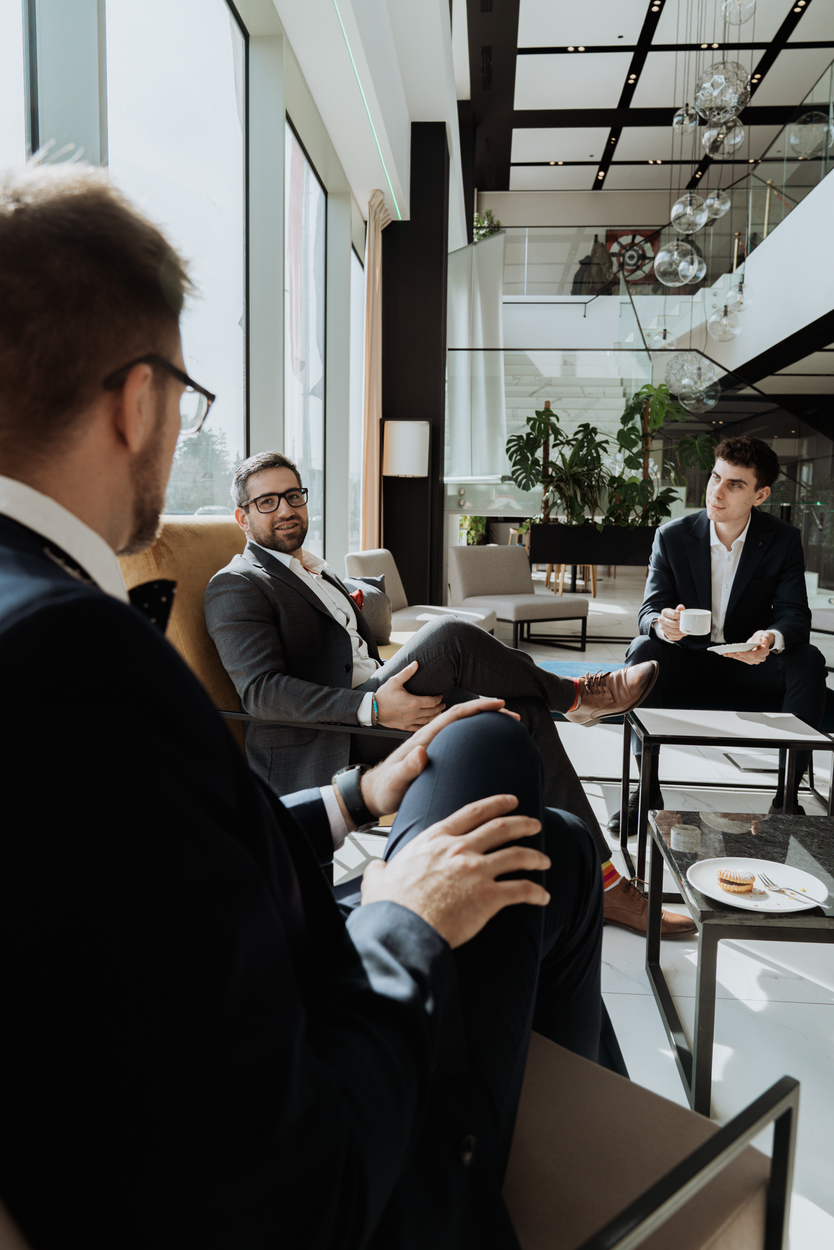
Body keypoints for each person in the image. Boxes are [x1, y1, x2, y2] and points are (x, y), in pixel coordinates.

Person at [0, 162, 625, 1250]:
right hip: (343, 1162)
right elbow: (276, 1190)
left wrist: (349, 798)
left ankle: (593, 1174)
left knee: (552, 852)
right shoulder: (67, 659)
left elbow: (151, 868)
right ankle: (501, 1186)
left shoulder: (49, 632)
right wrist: (402, 919)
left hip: (265, 949)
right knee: (493, 764)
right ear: (135, 399)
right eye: (185, 396)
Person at [204, 453, 695, 939]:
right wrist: (372, 708)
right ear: (242, 517)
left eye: (293, 496)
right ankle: (575, 697)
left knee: (519, 712)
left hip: (377, 703)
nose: (286, 509)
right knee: (447, 636)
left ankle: (599, 883)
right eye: (267, 502)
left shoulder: (305, 567)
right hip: (333, 735)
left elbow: (375, 623)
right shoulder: (238, 584)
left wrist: (328, 575)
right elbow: (260, 693)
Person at [610, 435, 827, 837]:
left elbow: (795, 615)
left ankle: (786, 793)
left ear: (760, 495)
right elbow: (647, 613)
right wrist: (663, 624)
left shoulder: (781, 539)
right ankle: (647, 788)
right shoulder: (673, 536)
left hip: (750, 664)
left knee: (807, 659)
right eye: (715, 477)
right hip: (687, 661)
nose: (717, 492)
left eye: (735, 484)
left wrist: (770, 639)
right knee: (643, 648)